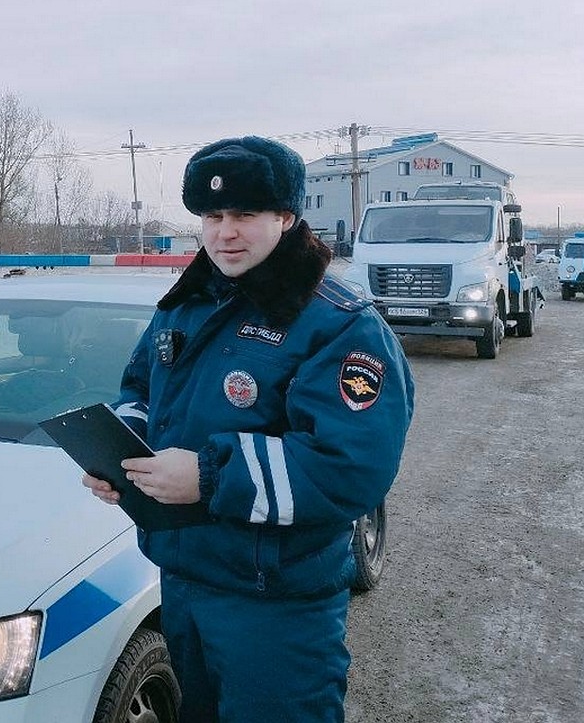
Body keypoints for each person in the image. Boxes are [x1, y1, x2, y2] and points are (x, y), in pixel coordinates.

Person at [84, 136, 413, 722]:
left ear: (286, 218)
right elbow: (139, 390)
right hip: (183, 583)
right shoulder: (185, 304)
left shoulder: (337, 325)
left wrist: (209, 477)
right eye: (212, 216)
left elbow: (349, 468)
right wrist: (124, 459)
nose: (224, 233)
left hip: (276, 605)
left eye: (245, 215)